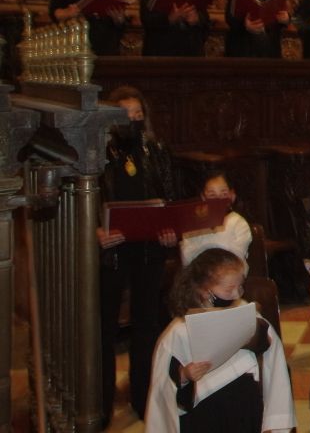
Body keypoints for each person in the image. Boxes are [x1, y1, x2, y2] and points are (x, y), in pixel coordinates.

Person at [98, 86, 182, 424]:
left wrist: (168, 229)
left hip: (148, 248)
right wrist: (94, 233)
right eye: (125, 114)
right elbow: (85, 200)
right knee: (103, 327)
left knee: (146, 326)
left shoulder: (157, 150)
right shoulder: (99, 152)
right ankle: (99, 406)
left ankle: (142, 397)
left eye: (137, 113)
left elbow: (168, 195)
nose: (132, 119)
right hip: (111, 250)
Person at [145, 248, 294, 432]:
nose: (237, 295)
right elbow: (164, 389)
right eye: (229, 289)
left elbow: (271, 353)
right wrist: (184, 375)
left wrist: (256, 337)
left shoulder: (246, 314)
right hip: (206, 414)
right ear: (203, 290)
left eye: (240, 286)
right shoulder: (179, 331)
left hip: (245, 407)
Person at [180, 172, 253, 266]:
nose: (218, 199)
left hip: (229, 277)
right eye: (212, 195)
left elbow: (236, 259)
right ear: (203, 197)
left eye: (224, 194)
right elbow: (187, 258)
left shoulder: (239, 223)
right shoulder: (192, 224)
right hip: (198, 276)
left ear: (232, 196)